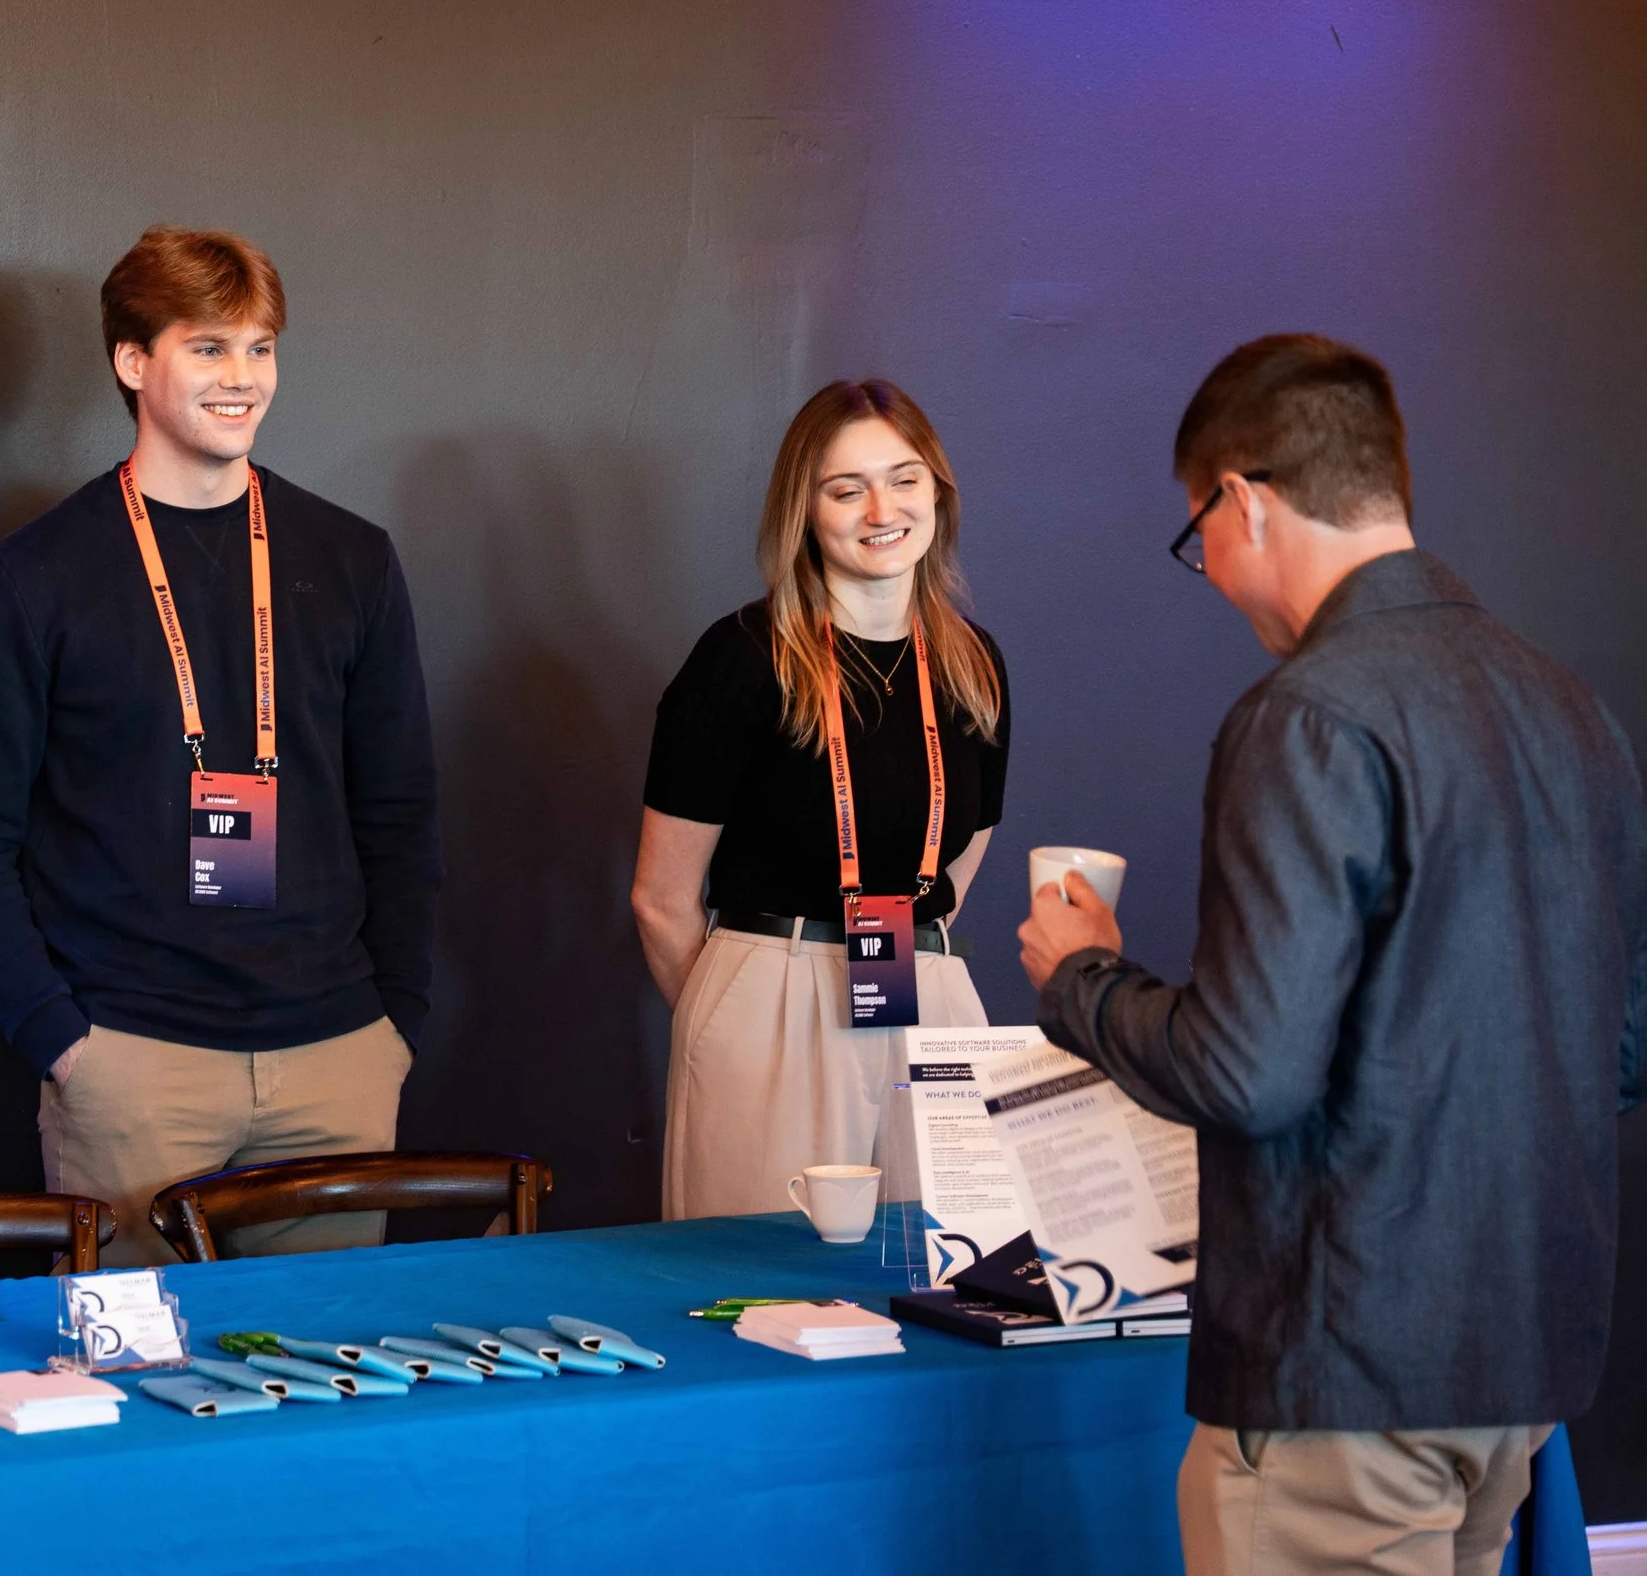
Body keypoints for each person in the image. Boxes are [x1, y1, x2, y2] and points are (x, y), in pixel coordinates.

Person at [1017, 334, 1646, 1576]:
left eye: (1198, 541)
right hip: (1523, 1364)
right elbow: (1614, 1048)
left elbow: (1250, 1071)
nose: (1211, 574)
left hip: (1341, 1370)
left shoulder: (1306, 713)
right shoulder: (1572, 709)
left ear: (1242, 500)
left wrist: (1080, 978)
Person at [0, 225, 439, 1267]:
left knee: (327, 1390)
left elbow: (400, 807)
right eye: (208, 347)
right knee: (142, 1392)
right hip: (132, 1064)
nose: (241, 377)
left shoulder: (351, 558)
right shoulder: (35, 575)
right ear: (132, 360)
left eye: (259, 348)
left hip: (335, 1056)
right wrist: (64, 1043)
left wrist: (397, 1021)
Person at [634, 380, 1009, 1220]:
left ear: (937, 491)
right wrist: (741, 1017)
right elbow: (662, 900)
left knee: (951, 1268)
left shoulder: (972, 662)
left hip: (924, 985)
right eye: (847, 488)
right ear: (805, 509)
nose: (883, 507)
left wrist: (906, 943)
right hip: (777, 992)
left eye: (904, 478)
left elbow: (968, 844)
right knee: (762, 1289)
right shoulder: (738, 658)